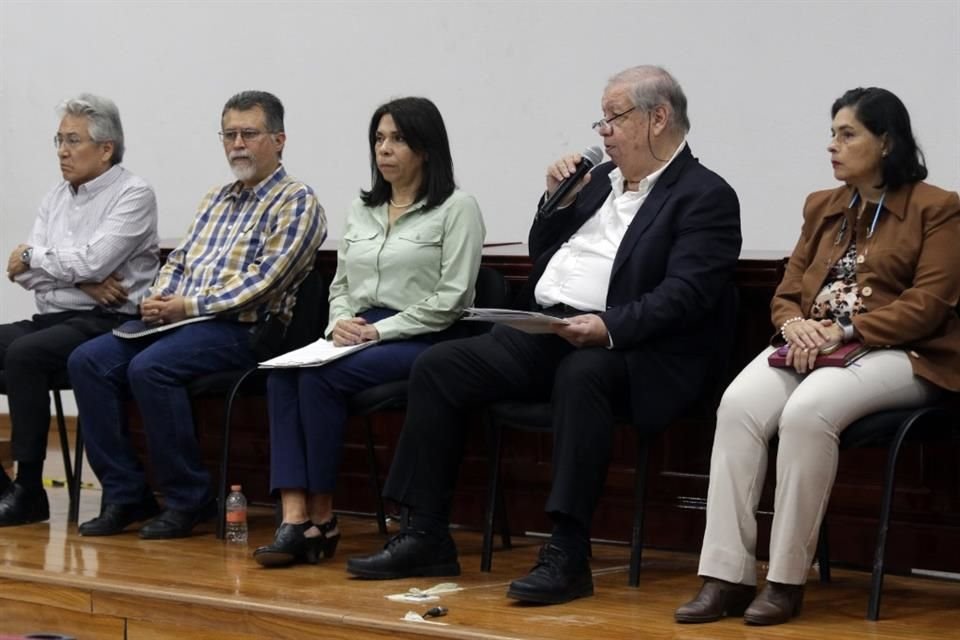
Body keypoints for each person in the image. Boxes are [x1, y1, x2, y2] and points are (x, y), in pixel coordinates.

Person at [347, 65, 742, 604]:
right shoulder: (598, 183)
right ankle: (425, 534)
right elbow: (542, 250)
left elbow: (688, 294)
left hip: (634, 350)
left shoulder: (704, 195)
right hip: (551, 328)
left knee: (584, 375)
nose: (603, 132)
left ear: (658, 118)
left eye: (614, 119)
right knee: (441, 366)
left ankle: (567, 550)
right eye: (601, 119)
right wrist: (555, 197)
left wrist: (609, 327)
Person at [675, 87, 960, 626]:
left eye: (847, 134)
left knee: (809, 414)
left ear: (886, 142)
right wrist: (796, 325)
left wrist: (842, 330)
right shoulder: (823, 206)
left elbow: (928, 306)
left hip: (902, 352)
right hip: (811, 346)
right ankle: (726, 576)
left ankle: (784, 581)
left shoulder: (938, 208)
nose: (832, 145)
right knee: (737, 407)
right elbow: (785, 291)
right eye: (832, 133)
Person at [67, 90, 326, 539]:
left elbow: (264, 282)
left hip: (245, 330)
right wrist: (159, 300)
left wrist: (187, 306)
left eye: (249, 133)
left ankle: (189, 499)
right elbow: (180, 262)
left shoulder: (296, 200)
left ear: (279, 140)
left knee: (152, 368)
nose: (237, 144)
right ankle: (127, 494)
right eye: (229, 134)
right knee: (86, 361)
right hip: (181, 323)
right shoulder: (216, 199)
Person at [252, 97, 485, 567]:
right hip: (357, 331)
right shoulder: (362, 210)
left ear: (425, 147)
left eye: (398, 138)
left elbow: (452, 298)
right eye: (379, 139)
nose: (385, 149)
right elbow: (341, 285)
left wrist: (380, 333)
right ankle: (295, 518)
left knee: (319, 378)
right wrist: (338, 321)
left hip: (425, 337)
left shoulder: (457, 208)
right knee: (281, 375)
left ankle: (321, 516)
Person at [0, 94, 159, 527]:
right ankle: (2, 483)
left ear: (106, 148)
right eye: (59, 140)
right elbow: (22, 272)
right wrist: (83, 279)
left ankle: (29, 488)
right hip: (54, 317)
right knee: (15, 347)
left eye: (73, 140)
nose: (62, 151)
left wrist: (38, 257)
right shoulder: (56, 196)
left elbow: (83, 259)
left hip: (110, 321)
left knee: (25, 356)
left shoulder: (133, 193)